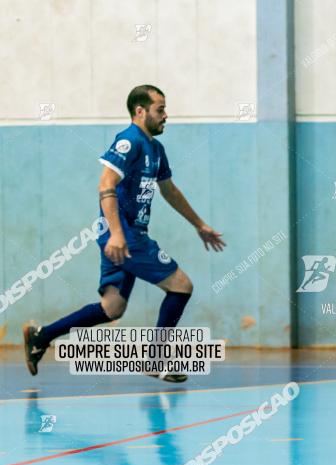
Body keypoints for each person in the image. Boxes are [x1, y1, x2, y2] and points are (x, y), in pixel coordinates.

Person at [23, 85, 225, 382]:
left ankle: (41, 336)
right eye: (160, 109)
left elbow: (169, 191)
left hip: (127, 234)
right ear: (140, 111)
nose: (166, 115)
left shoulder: (156, 149)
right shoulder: (129, 141)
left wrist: (199, 224)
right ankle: (156, 360)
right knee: (181, 285)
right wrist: (117, 234)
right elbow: (105, 182)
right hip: (125, 234)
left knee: (112, 308)